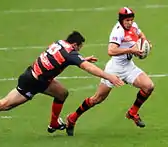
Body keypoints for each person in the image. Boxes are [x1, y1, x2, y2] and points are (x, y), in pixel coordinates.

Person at [0, 31, 124, 134]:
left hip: (36, 76)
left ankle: (53, 124)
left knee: (62, 93)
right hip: (33, 82)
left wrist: (80, 58)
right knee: (5, 104)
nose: (78, 50)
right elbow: (88, 68)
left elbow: (59, 59)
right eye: (79, 48)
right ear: (75, 44)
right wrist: (109, 76)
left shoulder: (60, 43)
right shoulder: (70, 53)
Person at [66, 7, 154, 136]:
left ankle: (132, 113)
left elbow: (141, 35)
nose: (129, 22)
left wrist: (145, 43)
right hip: (114, 69)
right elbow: (111, 51)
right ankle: (72, 118)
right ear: (121, 20)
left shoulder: (133, 26)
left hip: (128, 66)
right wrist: (131, 50)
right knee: (97, 99)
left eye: (131, 20)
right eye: (127, 20)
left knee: (149, 86)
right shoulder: (117, 32)